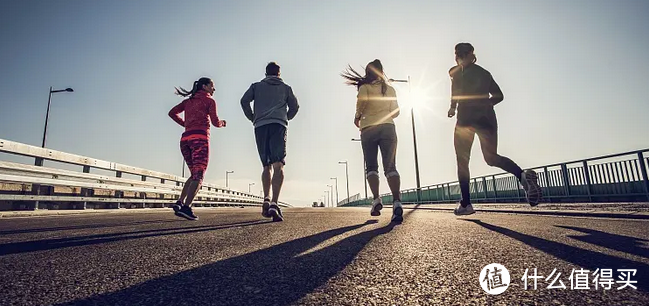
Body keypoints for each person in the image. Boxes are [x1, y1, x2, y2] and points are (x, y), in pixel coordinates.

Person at [447, 43, 542, 216]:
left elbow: (455, 93)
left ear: (466, 55)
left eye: (459, 54)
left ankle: (466, 204)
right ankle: (522, 176)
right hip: (487, 118)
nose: (458, 57)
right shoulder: (484, 73)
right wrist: (485, 105)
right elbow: (499, 96)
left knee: (462, 161)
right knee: (491, 157)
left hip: (465, 121)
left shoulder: (456, 72)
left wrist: (453, 107)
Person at [341, 59, 403, 223]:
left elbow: (361, 102)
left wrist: (357, 117)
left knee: (371, 167)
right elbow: (396, 112)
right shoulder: (389, 89)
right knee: (391, 167)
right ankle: (397, 202)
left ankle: (376, 199)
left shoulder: (364, 87)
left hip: (369, 129)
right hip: (388, 128)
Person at [241, 62, 299, 222]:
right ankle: (274, 202)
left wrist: (252, 117)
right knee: (278, 164)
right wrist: (286, 117)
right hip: (278, 125)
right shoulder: (286, 88)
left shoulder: (256, 86)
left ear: (266, 73)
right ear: (279, 73)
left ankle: (266, 198)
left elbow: (244, 101)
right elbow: (295, 106)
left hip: (260, 126)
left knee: (266, 165)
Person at [169, 77, 226, 220]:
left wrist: (186, 125)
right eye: (212, 86)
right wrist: (222, 123)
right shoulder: (209, 101)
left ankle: (179, 203)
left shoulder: (188, 102)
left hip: (185, 139)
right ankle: (187, 208)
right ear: (205, 86)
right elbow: (214, 122)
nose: (214, 89)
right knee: (199, 176)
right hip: (199, 139)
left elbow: (172, 113)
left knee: (194, 174)